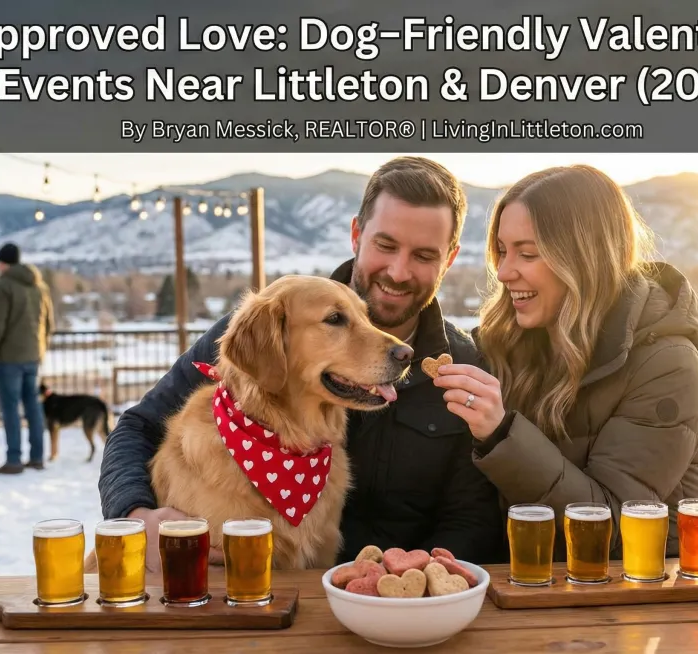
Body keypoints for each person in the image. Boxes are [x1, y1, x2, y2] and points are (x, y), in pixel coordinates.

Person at [99, 156, 504, 572]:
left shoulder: (464, 366)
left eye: (423, 255)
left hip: (387, 603)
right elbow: (137, 427)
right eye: (385, 245)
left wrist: (417, 574)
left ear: (449, 258)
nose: (399, 271)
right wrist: (135, 518)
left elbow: (470, 517)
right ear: (356, 235)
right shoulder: (264, 327)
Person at [431, 165, 698, 561]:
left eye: (528, 253)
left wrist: (502, 435)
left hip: (651, 595)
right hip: (532, 584)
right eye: (502, 251)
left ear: (584, 257)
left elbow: (614, 529)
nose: (503, 272)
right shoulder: (511, 341)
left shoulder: (667, 366)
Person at [0, 243, 55, 475]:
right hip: (33, 356)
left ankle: (14, 459)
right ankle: (37, 457)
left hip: (9, 358)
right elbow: (49, 323)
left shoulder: (2, 287)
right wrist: (40, 349)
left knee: (11, 408)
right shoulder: (39, 286)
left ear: (2, 263)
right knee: (33, 406)